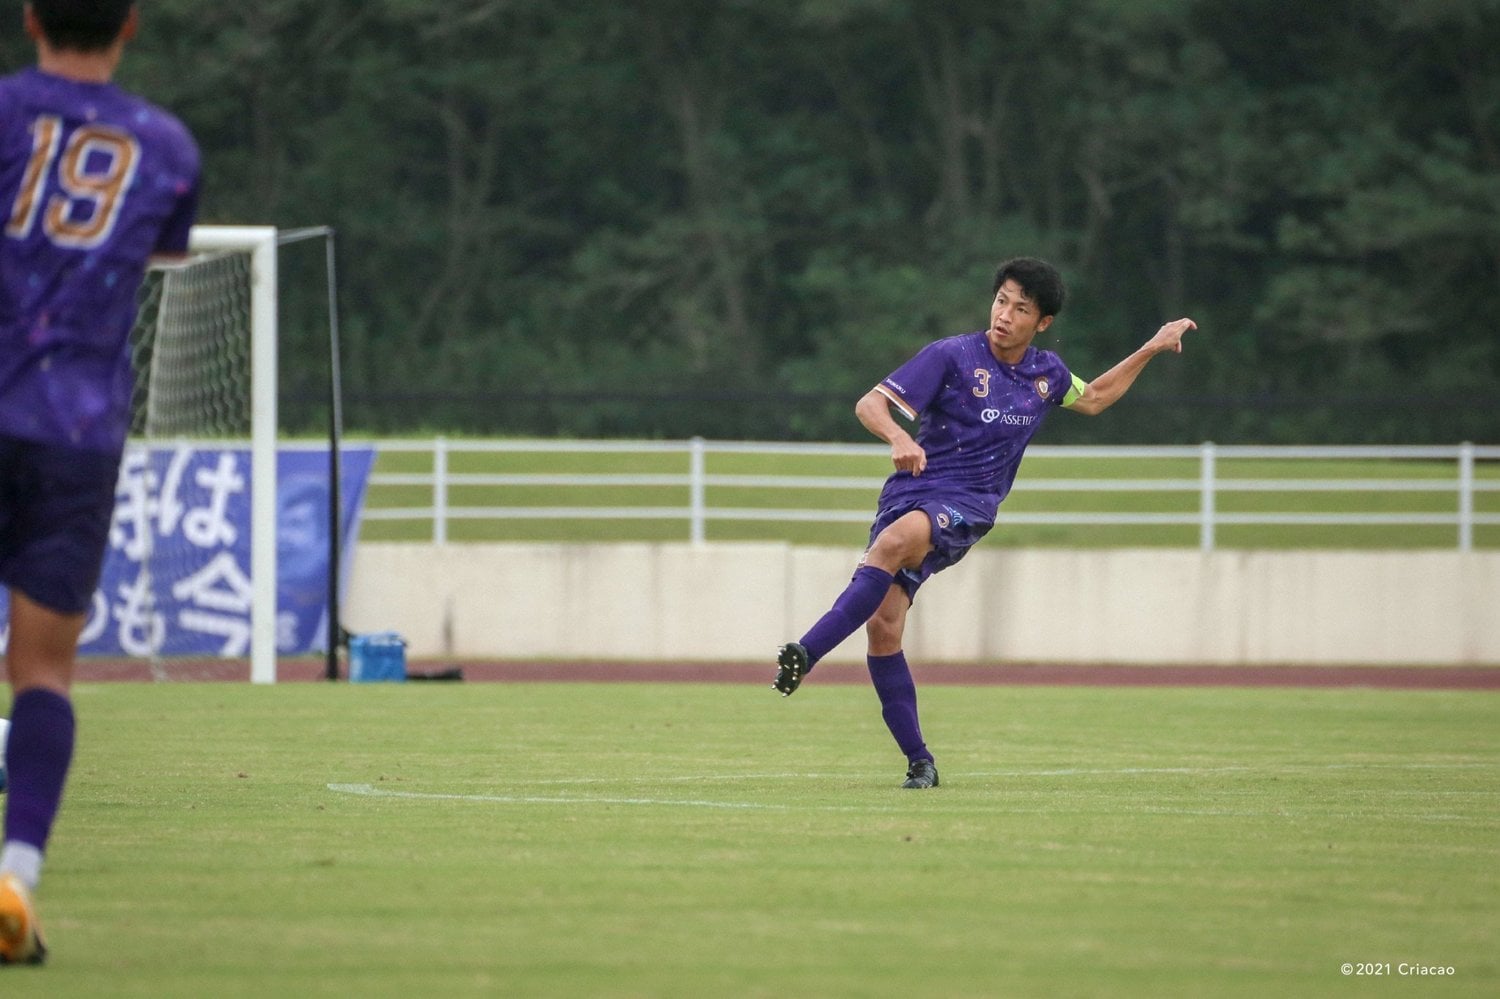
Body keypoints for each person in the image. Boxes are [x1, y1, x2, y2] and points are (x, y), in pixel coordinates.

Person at [773, 257, 1196, 789]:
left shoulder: (1047, 375)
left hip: (967, 505)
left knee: (894, 543)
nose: (1004, 315)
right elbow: (869, 405)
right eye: (1001, 301)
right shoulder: (951, 355)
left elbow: (1095, 398)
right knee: (883, 626)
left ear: (1042, 322)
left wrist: (1152, 346)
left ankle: (807, 652)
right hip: (909, 491)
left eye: (1021, 309)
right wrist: (899, 437)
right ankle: (920, 762)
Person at [0, 0, 199, 964]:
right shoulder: (167, 147)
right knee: (42, 670)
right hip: (76, 431)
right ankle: (15, 876)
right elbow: (148, 255)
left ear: (30, 17)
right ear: (131, 25)